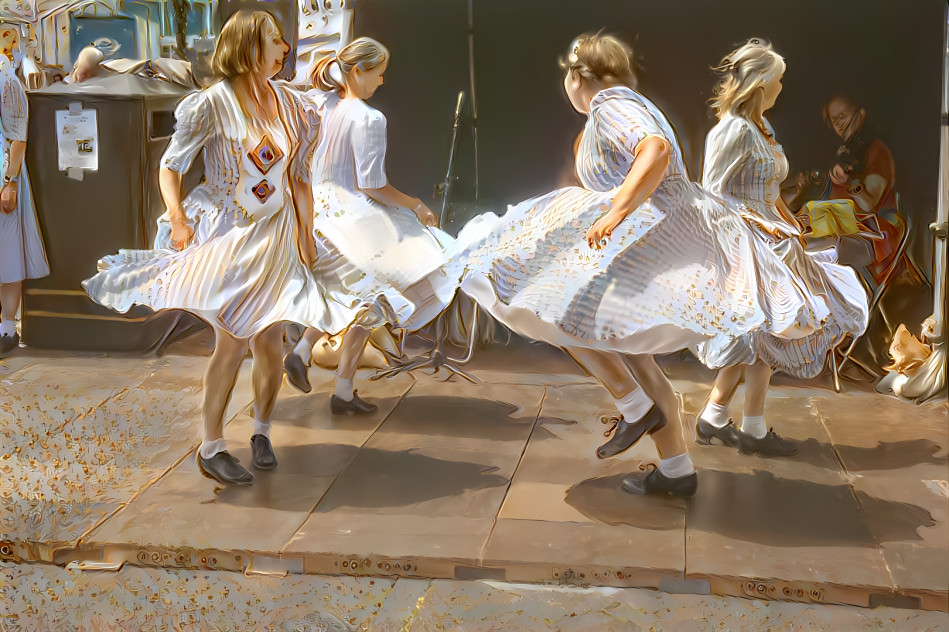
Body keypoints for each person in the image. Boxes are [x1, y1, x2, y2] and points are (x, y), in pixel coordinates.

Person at [449, 33, 826, 496]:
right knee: (625, 351)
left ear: (576, 77)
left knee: (550, 307)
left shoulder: (611, 105)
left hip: (649, 236)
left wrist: (616, 211)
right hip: (650, 233)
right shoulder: (617, 108)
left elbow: (654, 151)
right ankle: (676, 469)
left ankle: (633, 406)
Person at [83, 10, 362, 486]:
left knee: (271, 344)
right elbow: (171, 167)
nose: (284, 48)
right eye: (275, 40)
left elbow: (298, 177)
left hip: (277, 237)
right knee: (231, 340)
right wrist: (176, 217)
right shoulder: (211, 104)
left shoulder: (294, 107)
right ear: (250, 45)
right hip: (231, 236)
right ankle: (211, 446)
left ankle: (260, 432)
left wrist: (306, 234)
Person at [696, 40, 869, 455]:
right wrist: (761, 225)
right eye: (777, 80)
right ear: (759, 83)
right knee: (760, 332)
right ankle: (736, 423)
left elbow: (770, 190)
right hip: (745, 242)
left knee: (768, 334)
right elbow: (712, 194)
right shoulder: (732, 130)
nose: (781, 87)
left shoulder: (763, 127)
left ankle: (724, 418)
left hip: (776, 240)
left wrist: (792, 224)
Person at [283, 37, 456, 414]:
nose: (382, 81)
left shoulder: (318, 103)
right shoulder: (367, 118)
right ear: (358, 71)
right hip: (350, 218)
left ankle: (314, 364)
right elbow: (371, 184)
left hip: (315, 217)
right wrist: (416, 206)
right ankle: (336, 383)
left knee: (359, 299)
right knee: (380, 294)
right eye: (378, 74)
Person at [0, 25, 49, 356]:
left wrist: (10, 181)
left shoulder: (7, 80)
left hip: (3, 171)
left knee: (7, 251)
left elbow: (18, 134)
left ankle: (7, 328)